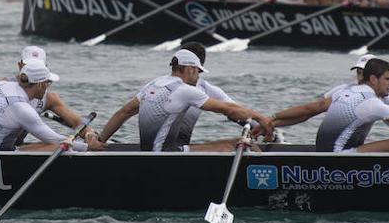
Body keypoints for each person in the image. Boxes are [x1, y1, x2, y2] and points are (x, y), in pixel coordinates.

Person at [97, 48, 272, 151]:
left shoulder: (154, 84)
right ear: (189, 69)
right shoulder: (185, 90)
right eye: (198, 71)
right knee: (236, 145)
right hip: (167, 156)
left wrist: (99, 142)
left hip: (149, 153)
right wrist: (261, 118)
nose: (198, 76)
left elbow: (123, 113)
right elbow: (230, 110)